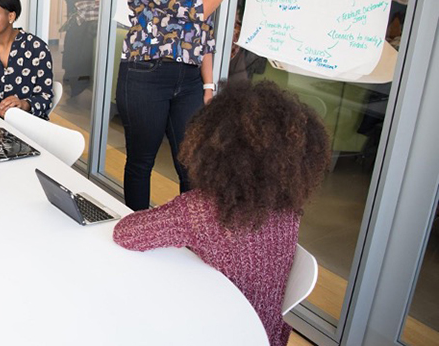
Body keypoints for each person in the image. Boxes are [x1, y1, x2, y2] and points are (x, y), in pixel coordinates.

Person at [113, 80, 330, 346]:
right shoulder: (288, 209)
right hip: (265, 335)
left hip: (212, 332)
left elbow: (125, 233)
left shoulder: (199, 209)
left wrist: (176, 215)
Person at [117, 0, 258, 210]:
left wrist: (208, 84)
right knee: (142, 161)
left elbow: (202, 30)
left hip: (190, 78)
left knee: (192, 165)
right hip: (146, 75)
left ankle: (190, 235)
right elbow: (196, 9)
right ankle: (135, 228)